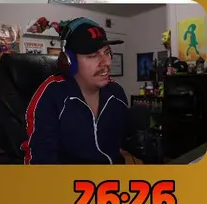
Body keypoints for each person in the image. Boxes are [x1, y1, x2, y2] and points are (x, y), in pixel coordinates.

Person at [21, 18, 140, 164]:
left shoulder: (116, 93)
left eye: (107, 52)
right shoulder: (51, 95)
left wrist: (137, 143)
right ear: (69, 61)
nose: (106, 62)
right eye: (93, 55)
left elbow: (121, 141)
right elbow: (39, 160)